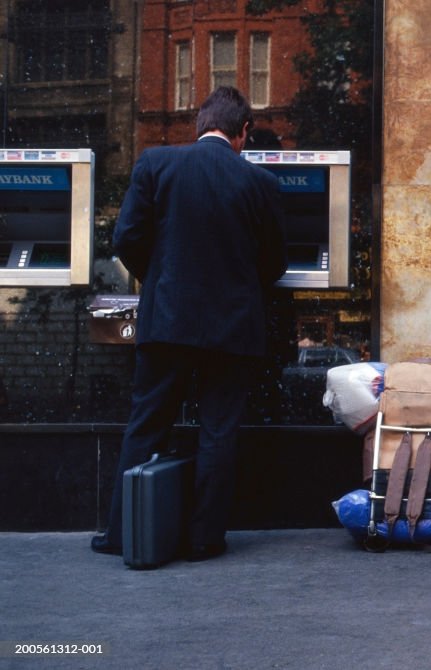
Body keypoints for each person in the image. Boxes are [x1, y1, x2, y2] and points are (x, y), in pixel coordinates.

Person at [90, 87, 287, 562]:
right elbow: (274, 263)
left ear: (199, 125)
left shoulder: (156, 164)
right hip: (233, 328)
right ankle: (204, 539)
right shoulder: (261, 184)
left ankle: (123, 533)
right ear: (243, 133)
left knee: (147, 424)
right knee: (218, 431)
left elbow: (127, 239)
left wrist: (160, 277)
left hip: (168, 320)